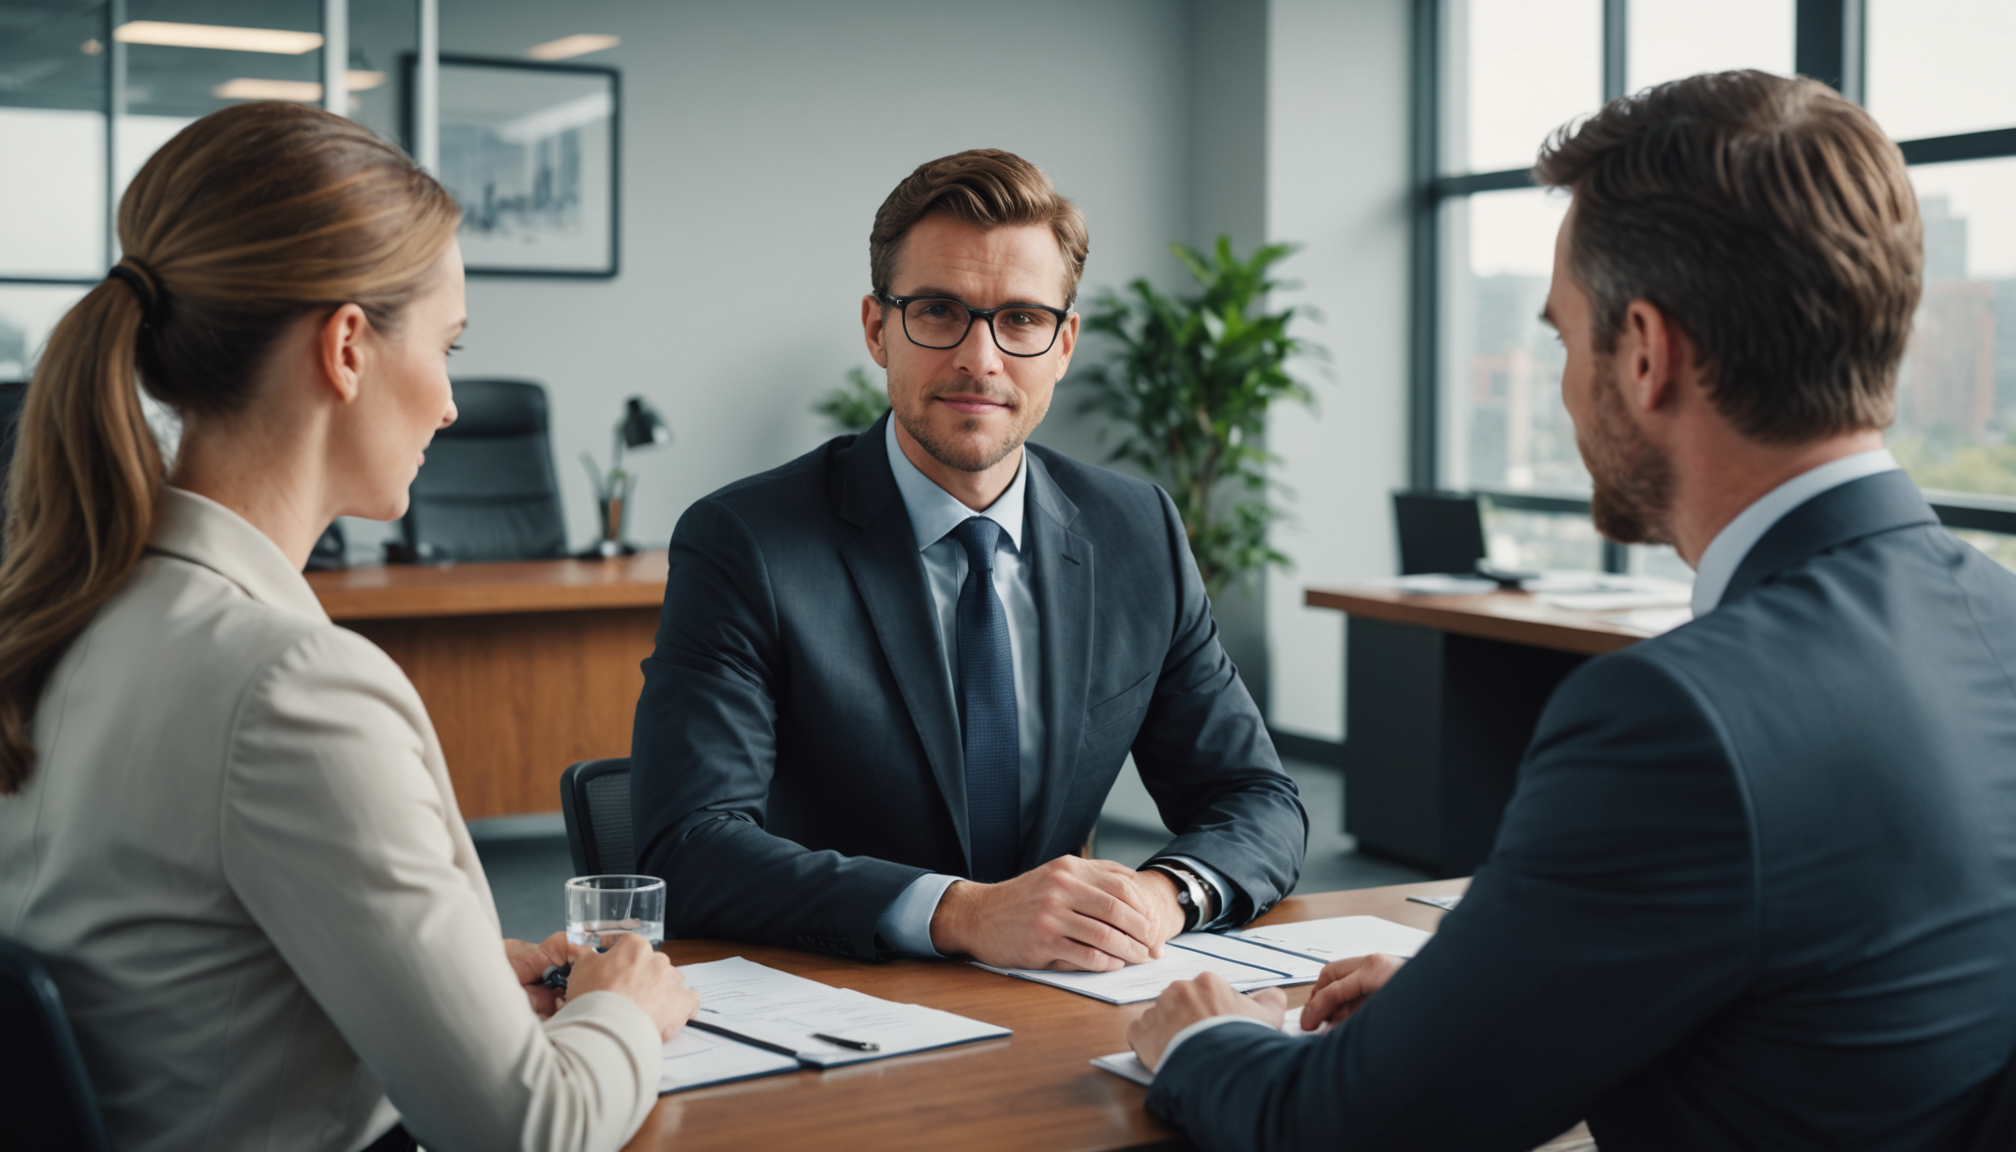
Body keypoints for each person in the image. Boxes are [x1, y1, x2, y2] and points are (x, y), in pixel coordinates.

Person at [1127, 70, 2016, 1151]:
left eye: (1562, 337)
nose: (1560, 386)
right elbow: (1845, 997)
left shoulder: (1678, 718)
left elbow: (1344, 1129)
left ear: (1644, 352)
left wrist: (1197, 1038)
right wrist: (1496, 991)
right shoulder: (1995, 618)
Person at [0, 102, 697, 1152]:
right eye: (448, 346)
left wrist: (450, 975)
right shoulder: (290, 687)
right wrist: (625, 1011)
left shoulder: (73, 609)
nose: (453, 405)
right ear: (346, 347)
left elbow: (187, 974)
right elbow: (529, 1129)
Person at [631, 148, 1306, 969]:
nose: (981, 359)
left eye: (1022, 319)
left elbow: (1257, 797)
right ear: (879, 329)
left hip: (1065, 998)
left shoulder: (1138, 533)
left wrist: (1161, 899)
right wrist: (959, 913)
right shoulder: (746, 542)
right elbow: (690, 846)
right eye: (940, 311)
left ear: (1063, 346)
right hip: (839, 1002)